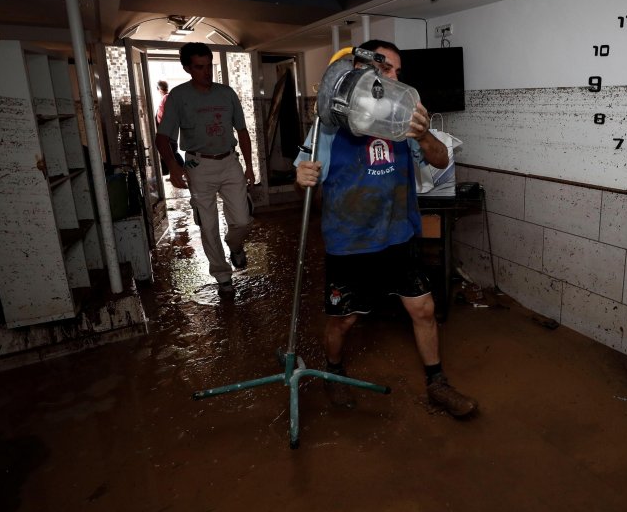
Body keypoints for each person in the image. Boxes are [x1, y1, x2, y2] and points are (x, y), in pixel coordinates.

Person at [295, 39, 478, 418]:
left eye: (398, 71)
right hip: (350, 241)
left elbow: (441, 159)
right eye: (388, 69)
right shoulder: (329, 126)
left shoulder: (401, 121)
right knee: (344, 320)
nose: (396, 78)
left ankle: (437, 383)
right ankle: (335, 372)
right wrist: (303, 174)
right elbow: (305, 171)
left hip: (399, 235)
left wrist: (424, 133)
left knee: (423, 310)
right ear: (363, 70)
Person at [156, 42, 254, 294]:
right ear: (188, 68)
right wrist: (173, 167)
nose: (207, 72)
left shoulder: (226, 93)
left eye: (209, 66)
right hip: (198, 165)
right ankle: (223, 276)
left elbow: (242, 131)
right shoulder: (178, 97)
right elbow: (162, 137)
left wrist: (250, 166)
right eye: (200, 67)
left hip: (230, 162)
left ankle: (235, 246)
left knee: (242, 221)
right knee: (208, 224)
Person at [155, 80, 184, 171]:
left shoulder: (166, 97)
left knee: (172, 152)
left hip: (167, 131)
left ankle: (183, 170)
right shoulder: (167, 97)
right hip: (167, 131)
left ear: (159, 89)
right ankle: (179, 171)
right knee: (172, 152)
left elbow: (169, 115)